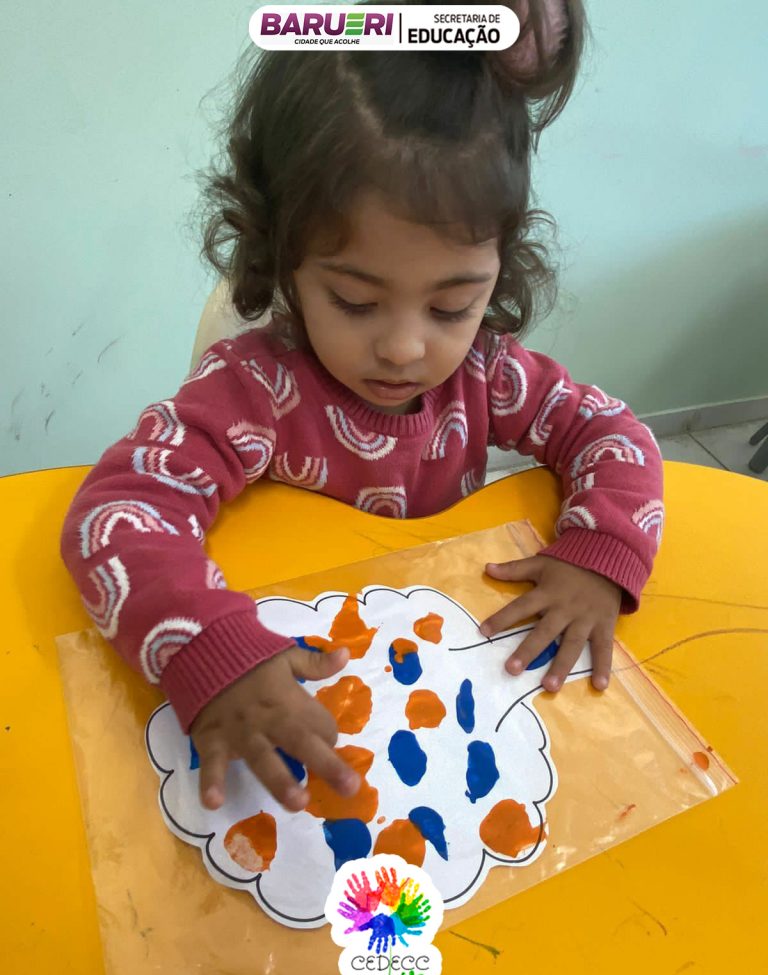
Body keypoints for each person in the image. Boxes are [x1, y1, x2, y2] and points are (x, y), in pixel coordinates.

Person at [60, 0, 663, 819]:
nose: (406, 349)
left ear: (499, 267)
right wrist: (207, 648)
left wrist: (597, 554)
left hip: (433, 680)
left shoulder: (487, 374)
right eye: (354, 301)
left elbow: (613, 431)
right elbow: (117, 513)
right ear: (284, 259)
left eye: (451, 306)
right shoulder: (255, 389)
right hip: (296, 682)